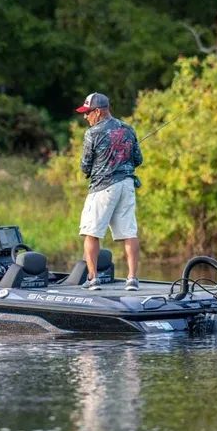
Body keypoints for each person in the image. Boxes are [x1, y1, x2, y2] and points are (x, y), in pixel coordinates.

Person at [75, 92, 142, 291]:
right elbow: (138, 160)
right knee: (129, 232)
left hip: (102, 188)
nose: (85, 116)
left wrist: (94, 167)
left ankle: (93, 278)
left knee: (91, 232)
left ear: (98, 111)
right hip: (127, 186)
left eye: (87, 112)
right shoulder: (128, 129)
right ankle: (132, 279)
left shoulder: (92, 133)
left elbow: (85, 165)